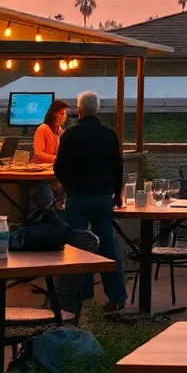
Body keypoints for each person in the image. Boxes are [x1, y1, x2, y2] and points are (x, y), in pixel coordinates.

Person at [54, 92, 128, 312]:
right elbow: (118, 166)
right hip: (103, 196)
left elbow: (59, 166)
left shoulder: (69, 134)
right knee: (107, 243)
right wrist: (117, 193)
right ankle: (117, 296)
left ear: (79, 109)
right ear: (98, 109)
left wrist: (68, 186)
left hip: (77, 196)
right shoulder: (109, 134)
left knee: (77, 245)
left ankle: (80, 294)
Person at [31, 100, 67, 210]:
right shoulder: (43, 129)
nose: (64, 117)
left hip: (52, 173)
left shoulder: (59, 130)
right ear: (54, 114)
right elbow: (38, 154)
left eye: (65, 114)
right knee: (49, 202)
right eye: (62, 114)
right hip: (40, 176)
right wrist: (57, 159)